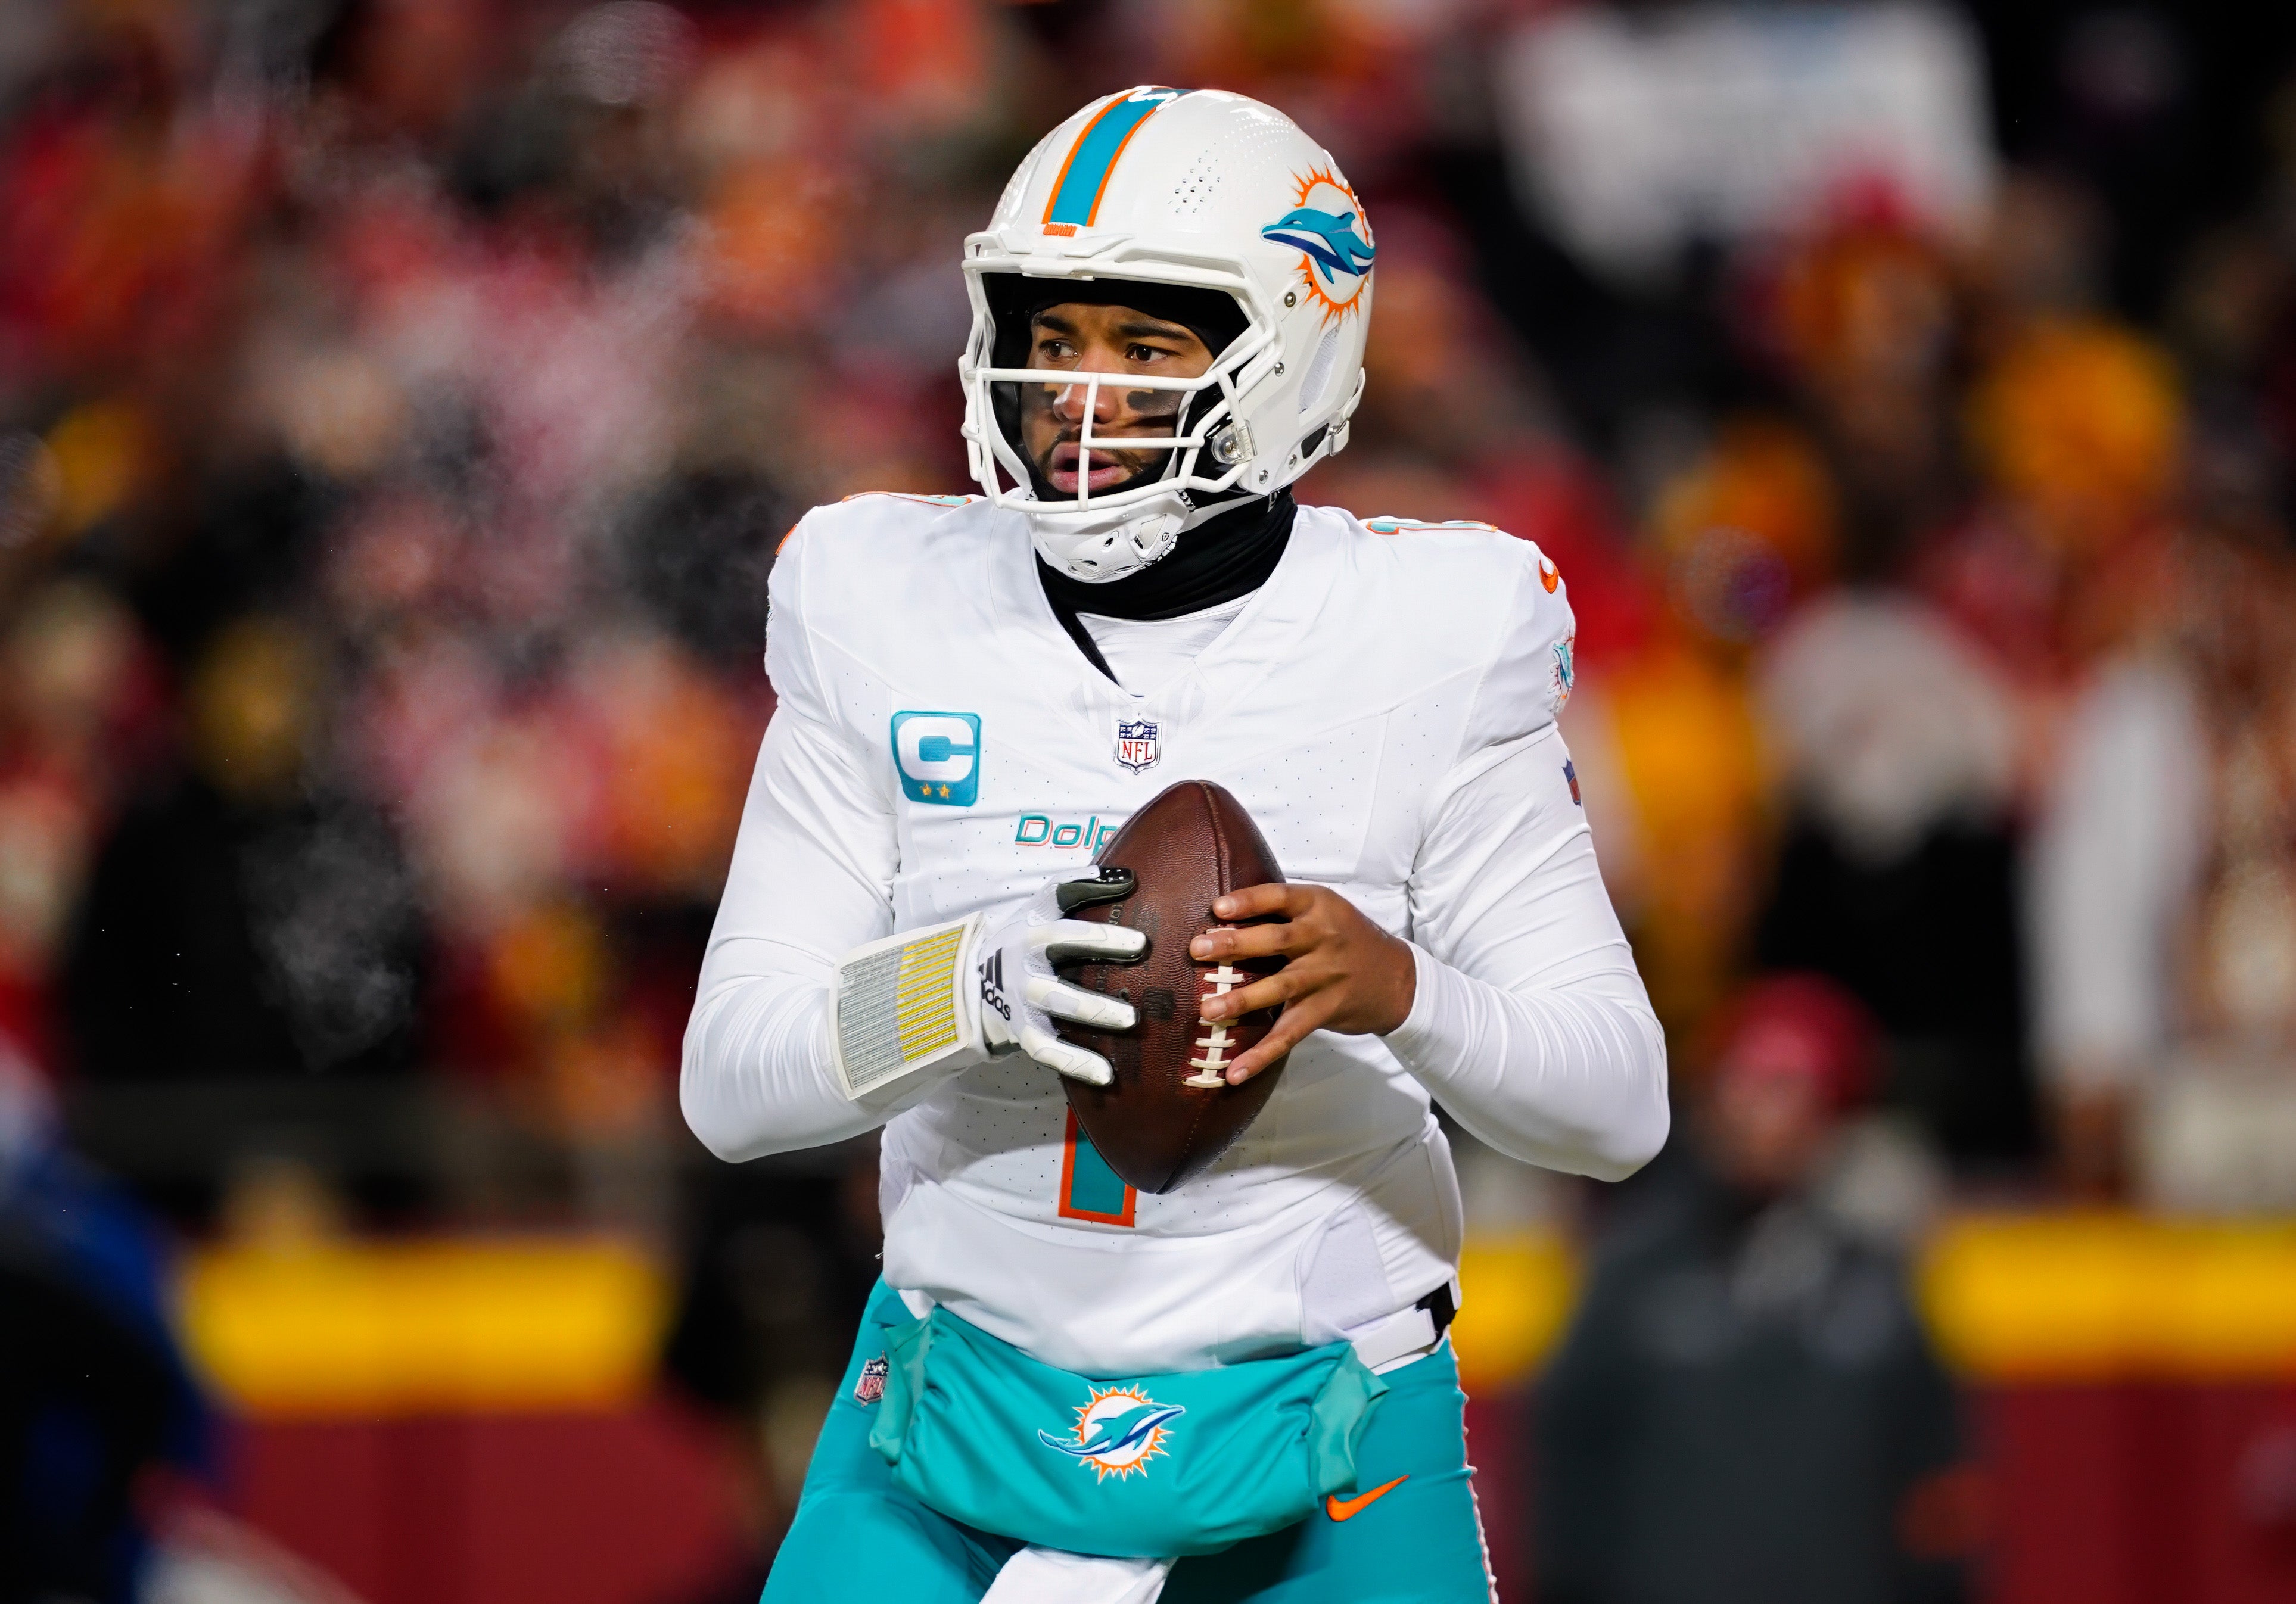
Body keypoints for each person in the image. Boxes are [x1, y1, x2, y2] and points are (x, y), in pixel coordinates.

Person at [682, 87, 1667, 1603]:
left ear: (1292, 352)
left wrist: (1392, 982)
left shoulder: (1432, 632)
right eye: (1052, 336)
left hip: (1324, 1429)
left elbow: (1616, 1104)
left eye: (1146, 347)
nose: (1080, 394)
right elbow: (731, 1081)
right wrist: (974, 987)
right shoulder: (878, 594)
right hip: (950, 1418)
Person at [1536, 976, 1971, 1604]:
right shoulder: (1631, 1275)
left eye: (1787, 1088)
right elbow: (1568, 1480)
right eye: (1743, 1085)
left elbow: (1936, 1495)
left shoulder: (1877, 1287)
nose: (1761, 1114)